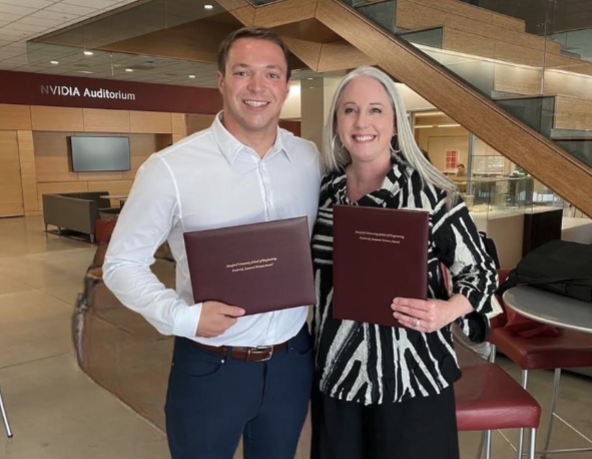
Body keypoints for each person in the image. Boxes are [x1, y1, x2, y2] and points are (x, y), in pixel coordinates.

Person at [103, 27, 321, 459]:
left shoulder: (309, 159)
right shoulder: (170, 169)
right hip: (211, 364)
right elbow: (121, 264)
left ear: (286, 85)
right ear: (221, 81)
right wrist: (181, 317)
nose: (257, 87)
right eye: (243, 72)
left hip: (292, 360)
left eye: (271, 74)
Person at [310, 67, 497, 459]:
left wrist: (446, 311)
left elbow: (481, 272)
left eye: (376, 110)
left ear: (395, 122)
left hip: (413, 382)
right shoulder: (324, 193)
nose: (362, 122)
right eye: (350, 110)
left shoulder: (431, 195)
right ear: (336, 123)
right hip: (338, 380)